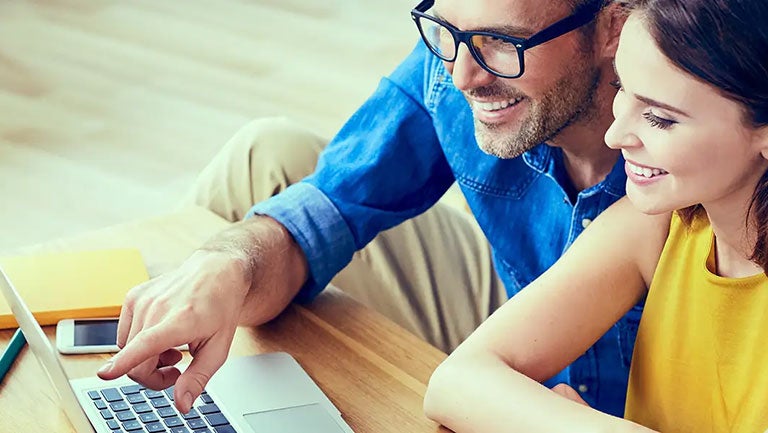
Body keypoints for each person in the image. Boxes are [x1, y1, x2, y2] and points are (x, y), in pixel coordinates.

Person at [97, 0, 633, 416]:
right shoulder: (452, 61)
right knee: (267, 154)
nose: (464, 76)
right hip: (519, 315)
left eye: (502, 42)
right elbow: (332, 202)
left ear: (613, 25)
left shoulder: (688, 133)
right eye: (446, 30)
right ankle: (187, 386)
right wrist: (228, 265)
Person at [423, 0, 768, 431]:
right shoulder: (659, 229)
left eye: (660, 118)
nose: (615, 133)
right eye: (622, 87)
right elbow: (456, 381)